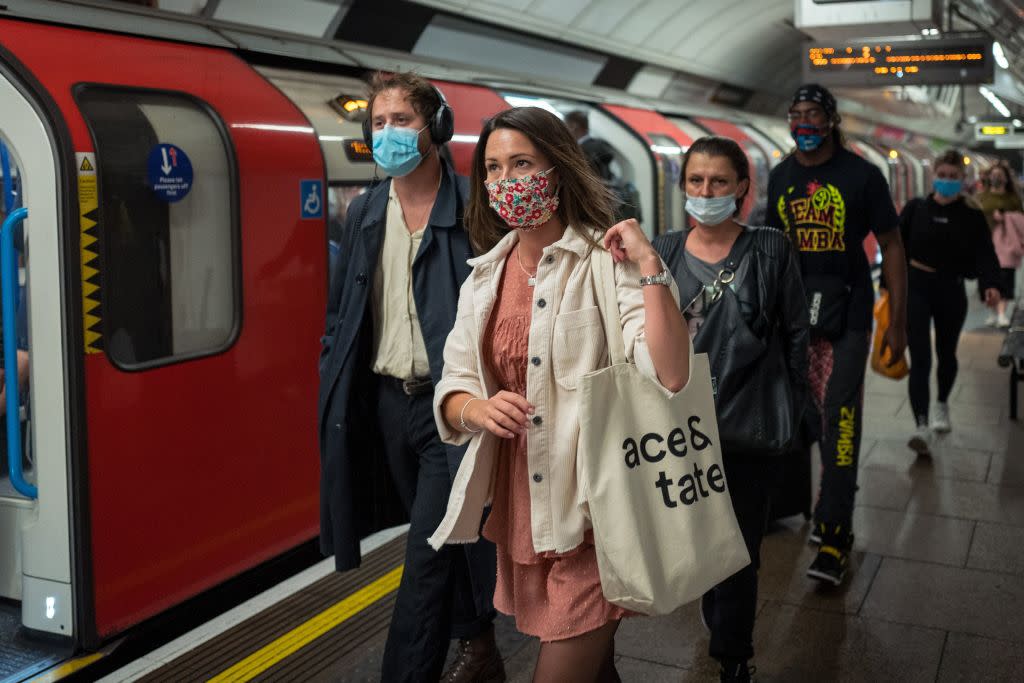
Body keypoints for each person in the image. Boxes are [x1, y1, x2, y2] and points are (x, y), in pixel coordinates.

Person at [429, 106, 690, 682]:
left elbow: (670, 373)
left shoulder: (604, 261)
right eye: (492, 169)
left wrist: (650, 265)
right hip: (524, 501)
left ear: (557, 168)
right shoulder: (484, 278)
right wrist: (477, 408)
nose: (505, 182)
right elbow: (452, 387)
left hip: (597, 508)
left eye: (521, 163)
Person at [317, 71, 503, 683]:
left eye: (402, 121)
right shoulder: (367, 209)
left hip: (449, 411)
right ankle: (479, 643)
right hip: (384, 404)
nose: (388, 134)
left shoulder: (476, 211)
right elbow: (342, 311)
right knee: (444, 543)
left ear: (436, 129)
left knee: (424, 559)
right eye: (378, 123)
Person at [653, 136, 808, 683]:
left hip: (748, 427)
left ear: (743, 187)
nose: (706, 191)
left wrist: (794, 407)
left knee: (740, 547)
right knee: (696, 540)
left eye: (719, 182)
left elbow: (795, 333)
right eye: (696, 181)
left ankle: (734, 655)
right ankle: (718, 609)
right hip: (679, 430)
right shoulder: (663, 251)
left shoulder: (770, 249)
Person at [765, 83, 908, 587]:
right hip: (795, 319)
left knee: (840, 420)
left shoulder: (861, 176)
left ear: (830, 120)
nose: (804, 123)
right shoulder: (780, 177)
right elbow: (772, 251)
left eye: (813, 114)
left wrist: (899, 321)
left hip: (849, 316)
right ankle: (799, 505)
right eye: (796, 113)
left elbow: (891, 244)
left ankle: (834, 535)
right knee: (798, 417)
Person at [899, 150, 1002, 455]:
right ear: (933, 176)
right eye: (941, 176)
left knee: (947, 354)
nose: (946, 181)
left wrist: (991, 284)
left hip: (951, 290)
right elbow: (897, 247)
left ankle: (941, 403)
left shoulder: (971, 216)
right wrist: (887, 286)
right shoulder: (915, 209)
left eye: (952, 177)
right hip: (917, 287)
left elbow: (985, 254)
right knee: (920, 358)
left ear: (963, 180)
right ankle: (921, 425)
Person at [565, 110, 641, 222]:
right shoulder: (600, 145)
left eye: (566, 125)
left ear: (574, 126)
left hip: (591, 203)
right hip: (605, 202)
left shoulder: (581, 151)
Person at [975, 162, 1023, 326]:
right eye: (994, 175)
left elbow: (1021, 219)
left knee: (1005, 277)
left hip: (1006, 243)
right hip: (986, 243)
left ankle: (1002, 313)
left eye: (1000, 175)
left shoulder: (1013, 199)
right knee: (987, 278)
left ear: (1006, 179)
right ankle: (993, 312)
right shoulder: (981, 196)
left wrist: (1006, 217)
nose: (996, 178)